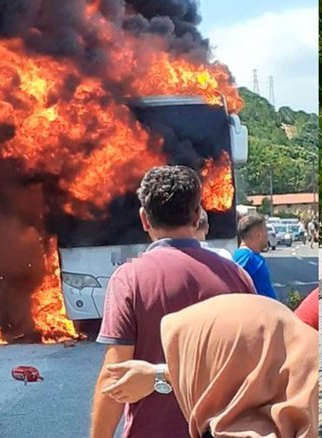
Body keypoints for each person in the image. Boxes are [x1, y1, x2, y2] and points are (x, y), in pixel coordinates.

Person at [90, 166, 256, 438]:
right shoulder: (237, 277)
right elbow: (253, 364)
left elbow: (114, 377)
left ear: (144, 219)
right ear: (196, 215)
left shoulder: (129, 279)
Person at [99, 294, 319, 438]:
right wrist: (162, 375)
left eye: (189, 360)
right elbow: (260, 358)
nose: (186, 371)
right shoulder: (304, 418)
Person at [233, 214, 279, 300]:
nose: (267, 235)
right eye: (266, 231)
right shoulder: (245, 257)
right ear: (258, 235)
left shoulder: (251, 256)